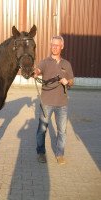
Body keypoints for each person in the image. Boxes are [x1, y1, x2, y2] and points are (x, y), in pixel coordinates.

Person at [33, 36, 74, 165]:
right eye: (53, 45)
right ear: (50, 46)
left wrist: (68, 82)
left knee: (62, 131)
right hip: (46, 102)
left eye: (57, 45)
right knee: (42, 130)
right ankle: (41, 153)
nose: (54, 47)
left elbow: (72, 81)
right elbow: (37, 71)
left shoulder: (66, 64)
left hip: (62, 104)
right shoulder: (45, 62)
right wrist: (33, 71)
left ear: (62, 47)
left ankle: (60, 154)